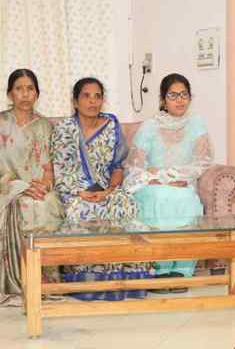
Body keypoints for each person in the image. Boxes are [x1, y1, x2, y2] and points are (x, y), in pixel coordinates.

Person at [51, 77, 141, 300]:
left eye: (97, 96)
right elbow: (60, 170)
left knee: (125, 204)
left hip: (105, 189)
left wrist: (109, 191)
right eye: (86, 96)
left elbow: (118, 166)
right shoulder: (64, 129)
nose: (92, 101)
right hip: (74, 190)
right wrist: (81, 192)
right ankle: (88, 282)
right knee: (82, 210)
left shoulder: (111, 125)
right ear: (75, 102)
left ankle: (123, 281)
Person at [0, 69, 64, 305]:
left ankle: (45, 283)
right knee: (27, 204)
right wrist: (21, 187)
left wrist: (45, 185)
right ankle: (20, 282)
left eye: (30, 89)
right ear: (10, 94)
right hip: (8, 188)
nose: (25, 94)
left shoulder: (45, 126)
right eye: (19, 89)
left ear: (37, 94)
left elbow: (50, 166)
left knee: (48, 203)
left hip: (38, 187)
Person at [125, 73, 213, 286]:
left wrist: (175, 175)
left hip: (182, 182)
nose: (179, 100)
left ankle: (181, 271)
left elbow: (202, 161)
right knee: (159, 196)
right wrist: (159, 178)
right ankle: (160, 269)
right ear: (163, 100)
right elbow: (135, 165)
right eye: (173, 95)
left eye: (184, 94)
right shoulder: (149, 126)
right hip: (151, 183)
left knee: (186, 199)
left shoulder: (197, 124)